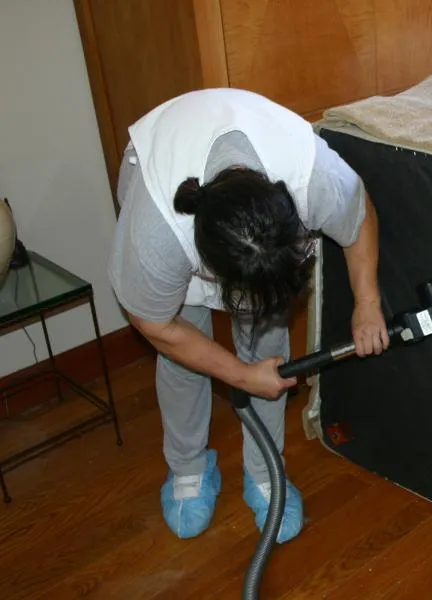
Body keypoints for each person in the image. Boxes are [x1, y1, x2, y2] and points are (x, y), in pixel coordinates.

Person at [107, 88, 389, 542]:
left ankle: (265, 473)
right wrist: (238, 375)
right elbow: (157, 325)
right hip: (161, 175)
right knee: (183, 359)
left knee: (268, 356)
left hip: (255, 233)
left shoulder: (311, 178)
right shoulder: (156, 235)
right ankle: (188, 467)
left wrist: (367, 303)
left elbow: (357, 219)